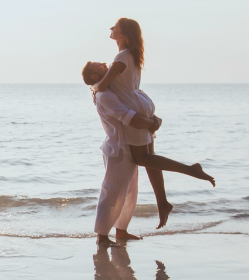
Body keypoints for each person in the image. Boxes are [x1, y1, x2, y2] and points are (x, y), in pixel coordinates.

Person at [88, 18, 215, 229]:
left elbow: (102, 85)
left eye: (115, 27)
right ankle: (162, 202)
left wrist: (92, 88)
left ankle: (191, 170)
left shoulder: (121, 57)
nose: (111, 29)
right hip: (142, 103)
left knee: (143, 158)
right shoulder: (132, 55)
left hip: (134, 107)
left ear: (125, 34)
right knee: (150, 159)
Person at [85, 62, 162, 246]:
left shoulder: (111, 90)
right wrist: (151, 123)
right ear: (95, 76)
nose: (106, 63)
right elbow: (130, 118)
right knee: (111, 193)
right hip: (117, 150)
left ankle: (121, 231)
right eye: (100, 66)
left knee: (130, 193)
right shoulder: (105, 96)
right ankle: (102, 237)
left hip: (128, 146)